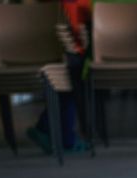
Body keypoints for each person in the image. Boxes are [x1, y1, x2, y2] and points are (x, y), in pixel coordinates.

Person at [27, 0, 91, 154]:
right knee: (72, 80)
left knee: (67, 82)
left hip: (43, 42)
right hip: (69, 45)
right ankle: (65, 139)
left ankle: (47, 128)